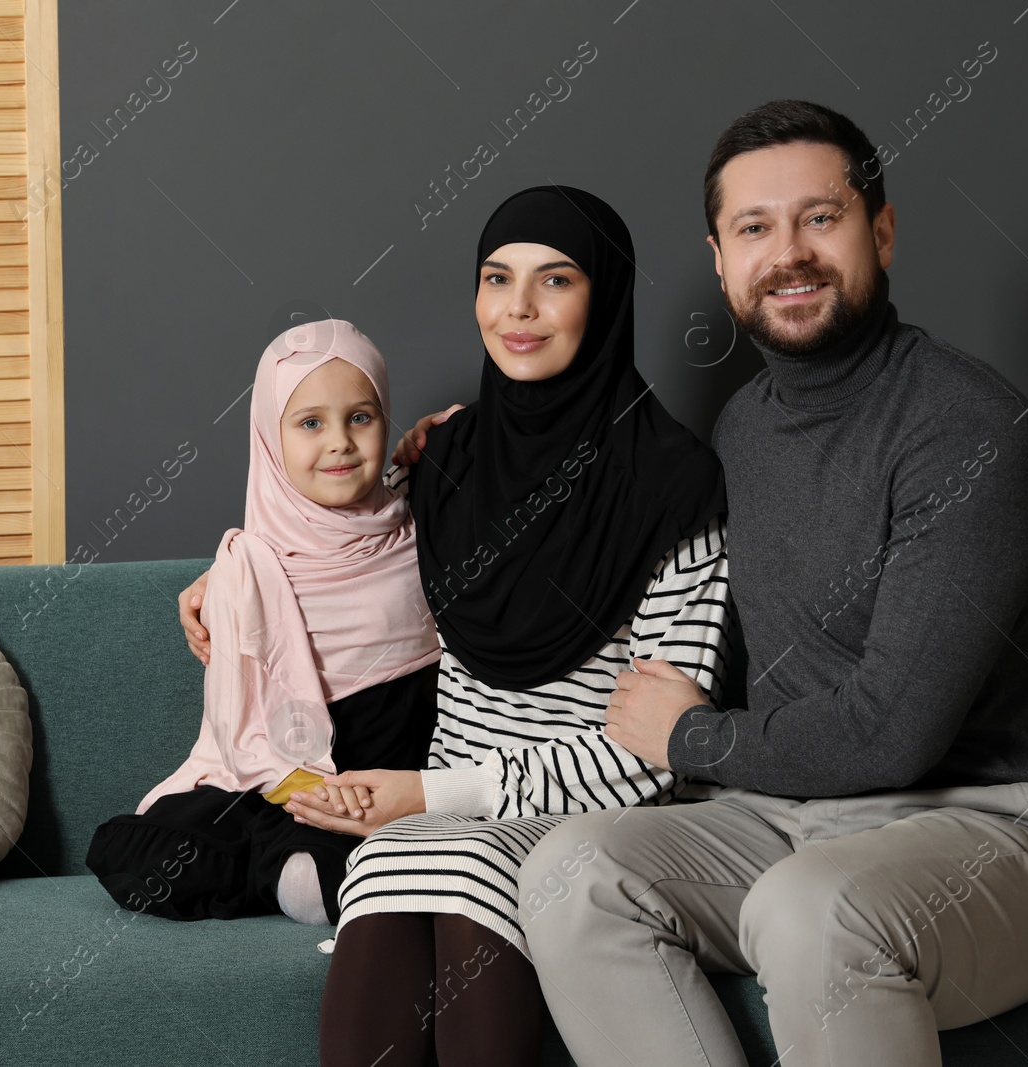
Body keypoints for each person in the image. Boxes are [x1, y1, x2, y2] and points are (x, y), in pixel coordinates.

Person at [515, 100, 1028, 1067]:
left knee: (810, 911)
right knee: (566, 872)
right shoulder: (743, 427)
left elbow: (891, 731)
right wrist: (427, 472)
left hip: (995, 826)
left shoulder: (966, 430)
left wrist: (690, 734)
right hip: (788, 816)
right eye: (754, 228)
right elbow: (602, 535)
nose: (787, 252)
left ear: (881, 229)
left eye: (820, 218)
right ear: (719, 259)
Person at [212, 184, 730, 1066]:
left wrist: (428, 796)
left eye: (555, 280)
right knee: (386, 868)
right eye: (497, 278)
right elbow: (323, 530)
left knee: (460, 869)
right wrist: (221, 582)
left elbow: (654, 754)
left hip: (594, 811)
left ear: (604, 298)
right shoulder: (445, 460)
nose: (518, 309)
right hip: (444, 804)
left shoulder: (677, 485)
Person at [88, 319, 440, 927]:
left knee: (323, 862)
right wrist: (305, 790)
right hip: (284, 773)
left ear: (388, 420)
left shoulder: (423, 522)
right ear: (269, 439)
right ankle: (275, 863)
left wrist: (448, 432)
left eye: (362, 417)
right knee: (132, 844)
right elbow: (240, 727)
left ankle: (294, 867)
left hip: (394, 770)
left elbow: (500, 446)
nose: (340, 443)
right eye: (309, 423)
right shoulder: (247, 565)